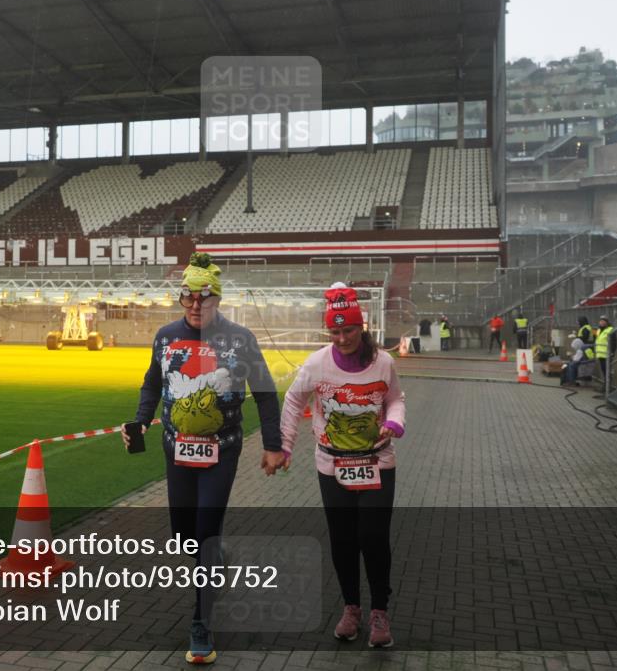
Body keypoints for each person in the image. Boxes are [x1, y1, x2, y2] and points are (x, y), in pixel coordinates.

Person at [121, 252, 285, 664]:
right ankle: (217, 560)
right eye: (188, 298)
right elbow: (151, 385)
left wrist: (272, 443)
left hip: (221, 451)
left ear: (218, 299)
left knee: (207, 530)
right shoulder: (165, 336)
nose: (196, 305)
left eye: (205, 298)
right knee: (184, 536)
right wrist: (141, 421)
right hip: (176, 450)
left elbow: (265, 394)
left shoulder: (240, 338)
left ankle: (201, 622)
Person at [279, 283, 406, 648]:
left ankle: (379, 611)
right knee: (343, 540)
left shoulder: (384, 362)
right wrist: (286, 446)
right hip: (332, 466)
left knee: (373, 537)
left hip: (377, 462)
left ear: (361, 327)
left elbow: (395, 399)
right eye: (334, 332)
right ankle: (352, 608)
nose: (342, 338)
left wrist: (395, 421)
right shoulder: (317, 363)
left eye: (348, 330)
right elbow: (292, 400)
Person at [595, 316, 615, 386]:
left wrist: (612, 352)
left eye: (603, 321)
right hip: (600, 354)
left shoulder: (610, 330)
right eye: (600, 321)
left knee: (607, 371)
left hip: (607, 354)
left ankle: (608, 386)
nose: (601, 322)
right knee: (604, 370)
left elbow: (614, 342)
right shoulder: (599, 330)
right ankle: (605, 385)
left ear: (607, 322)